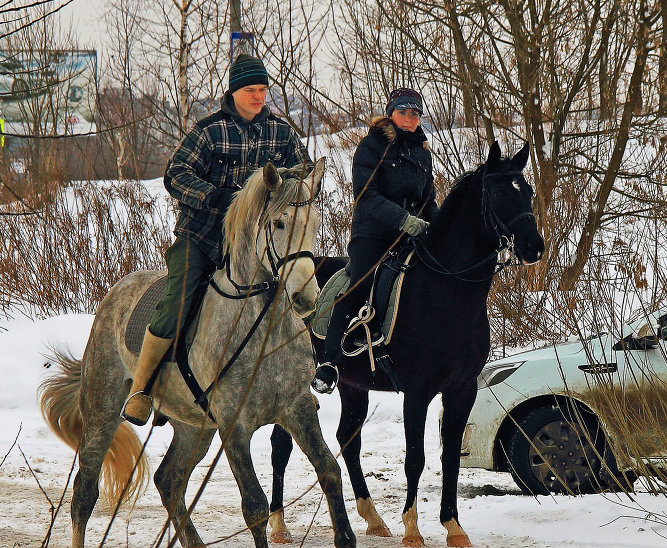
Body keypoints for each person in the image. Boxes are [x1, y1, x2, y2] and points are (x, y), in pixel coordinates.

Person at [122, 53, 311, 425]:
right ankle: (142, 389)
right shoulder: (209, 131)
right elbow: (175, 174)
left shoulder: (282, 132)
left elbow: (301, 170)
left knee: (300, 286)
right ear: (234, 91)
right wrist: (216, 198)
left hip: (260, 243)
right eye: (250, 90)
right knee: (179, 298)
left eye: (262, 89)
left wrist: (288, 191)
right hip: (204, 236)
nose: (258, 96)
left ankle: (298, 383)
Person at [311, 87, 438, 393]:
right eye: (403, 112)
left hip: (412, 237)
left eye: (414, 113)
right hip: (373, 235)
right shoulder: (371, 146)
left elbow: (428, 199)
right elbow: (366, 197)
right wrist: (404, 220)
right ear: (391, 114)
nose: (409, 118)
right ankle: (328, 362)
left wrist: (438, 226)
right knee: (360, 286)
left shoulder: (422, 152)